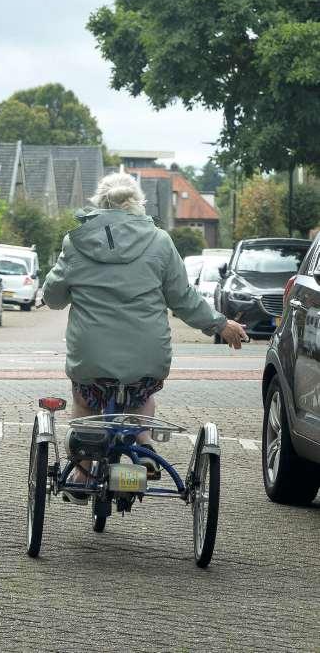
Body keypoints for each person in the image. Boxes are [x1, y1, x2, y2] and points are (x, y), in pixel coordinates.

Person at [42, 172, 246, 501]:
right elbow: (183, 299)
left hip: (92, 356)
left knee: (84, 398)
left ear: (99, 203)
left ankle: (82, 472)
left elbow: (53, 297)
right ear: (138, 203)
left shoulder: (76, 241)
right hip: (147, 357)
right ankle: (144, 442)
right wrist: (220, 325)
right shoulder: (160, 241)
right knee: (142, 395)